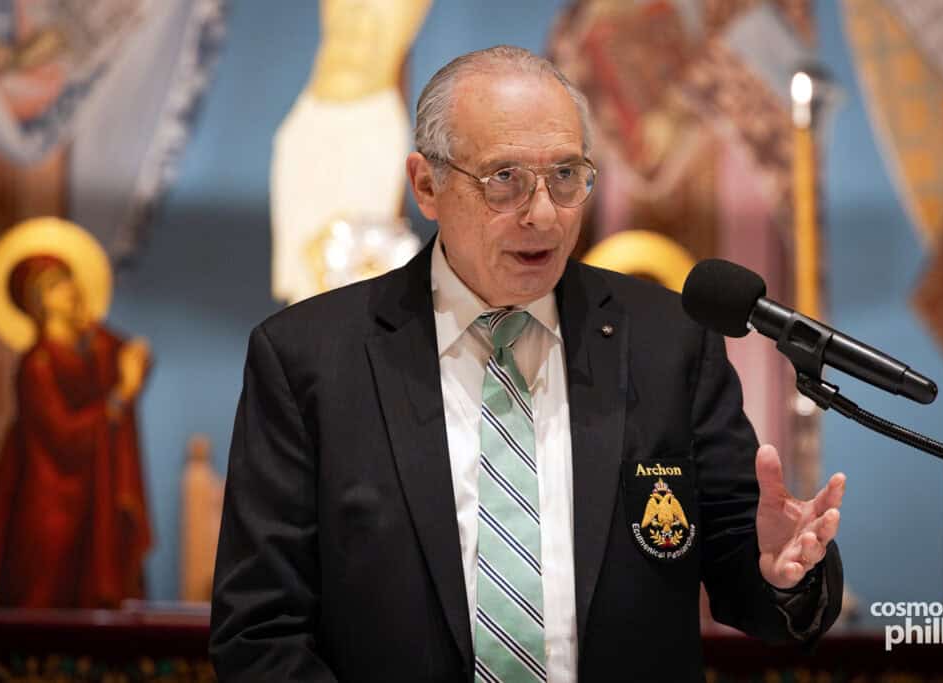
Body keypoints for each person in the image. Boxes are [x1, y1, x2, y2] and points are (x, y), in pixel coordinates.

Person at [210, 46, 845, 682]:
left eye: (566, 175)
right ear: (427, 185)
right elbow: (259, 632)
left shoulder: (667, 341)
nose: (543, 213)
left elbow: (745, 568)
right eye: (504, 178)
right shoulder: (310, 360)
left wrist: (781, 571)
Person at [0, 253, 152, 608]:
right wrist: (118, 399)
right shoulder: (37, 364)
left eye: (70, 280)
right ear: (39, 301)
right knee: (44, 591)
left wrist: (113, 344)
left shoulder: (90, 350)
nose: (71, 290)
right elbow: (62, 434)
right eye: (57, 286)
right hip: (48, 498)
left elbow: (130, 356)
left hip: (92, 493)